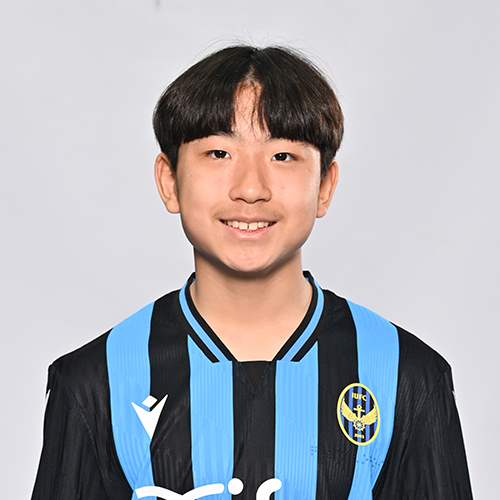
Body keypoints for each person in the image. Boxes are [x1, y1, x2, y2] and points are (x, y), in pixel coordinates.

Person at [31, 45, 473, 500]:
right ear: (170, 181)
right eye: (219, 152)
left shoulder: (405, 377)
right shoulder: (96, 382)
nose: (250, 188)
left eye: (282, 156)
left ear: (324, 186)